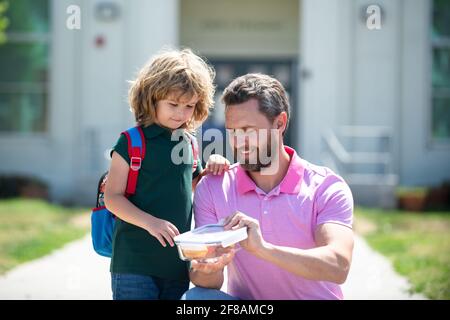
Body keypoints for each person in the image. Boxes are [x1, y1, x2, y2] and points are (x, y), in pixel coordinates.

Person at [184, 73, 354, 300]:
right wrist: (209, 266)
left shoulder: (326, 187)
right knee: (197, 298)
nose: (238, 142)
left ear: (280, 123)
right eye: (233, 131)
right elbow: (209, 282)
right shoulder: (214, 187)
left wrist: (263, 249)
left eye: (248, 130)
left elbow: (338, 265)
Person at [104, 48, 229, 300]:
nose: (181, 113)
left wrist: (214, 165)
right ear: (151, 99)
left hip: (178, 266)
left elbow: (194, 186)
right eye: (172, 104)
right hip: (134, 264)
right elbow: (112, 198)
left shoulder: (190, 143)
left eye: (189, 106)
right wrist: (151, 222)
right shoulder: (131, 141)